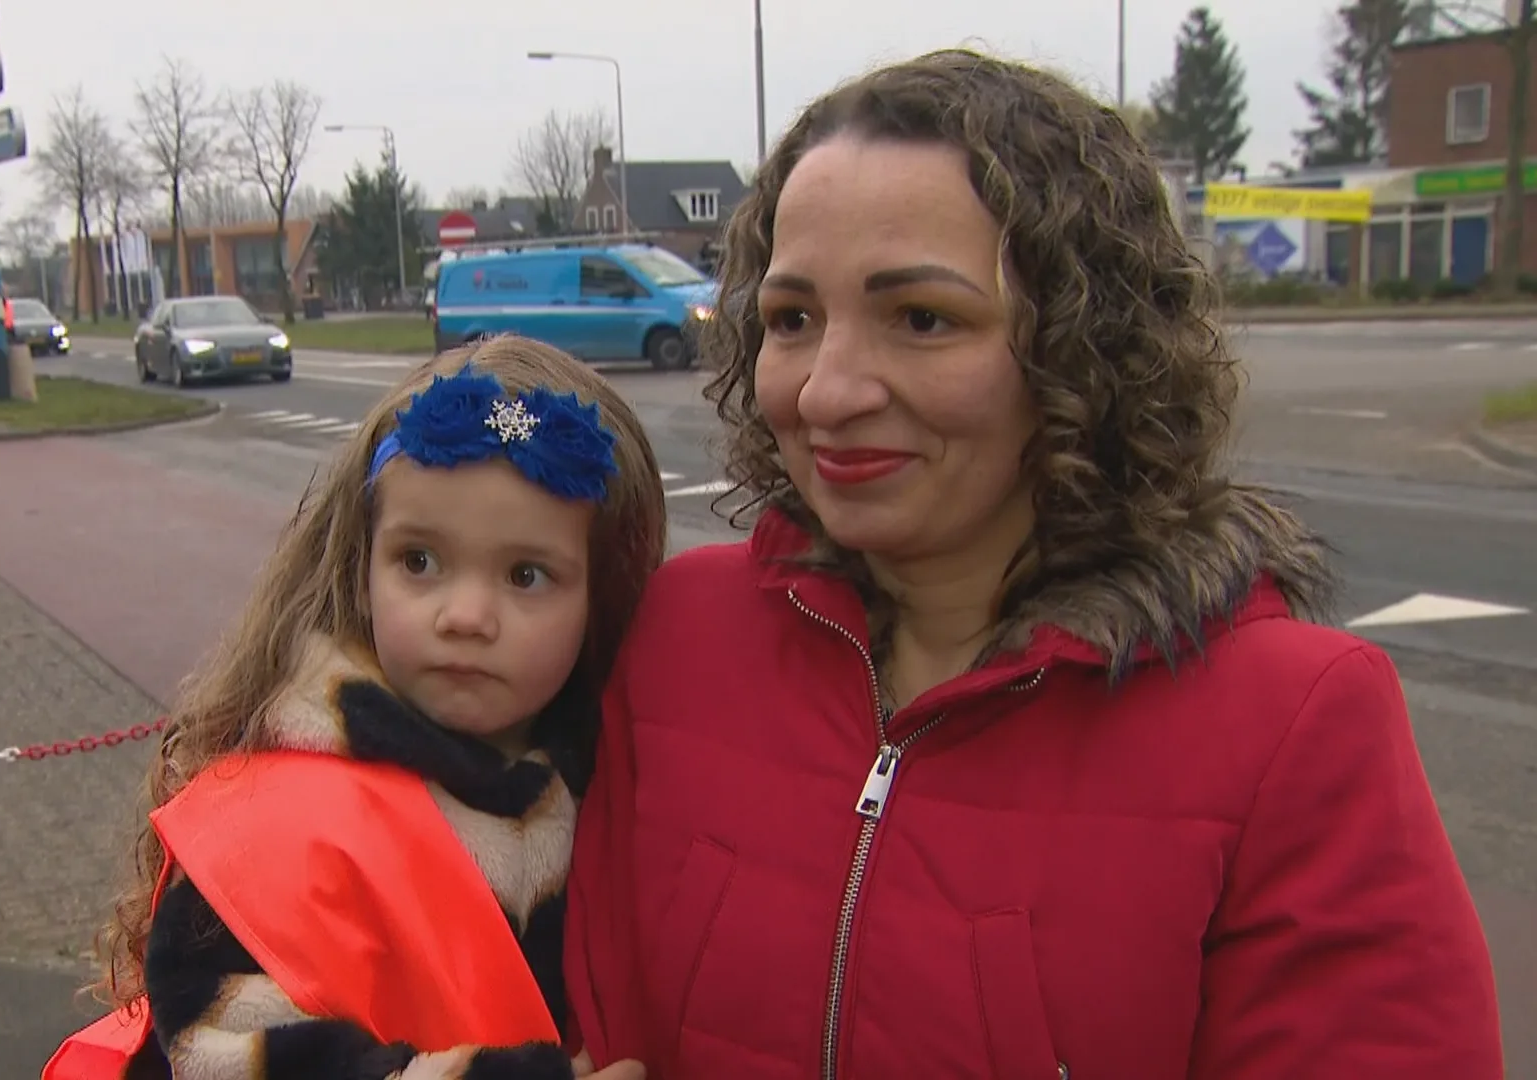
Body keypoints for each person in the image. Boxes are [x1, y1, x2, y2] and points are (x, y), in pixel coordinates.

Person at [561, 51, 1504, 1079]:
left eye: (923, 318)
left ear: (1082, 345)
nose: (827, 393)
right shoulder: (679, 636)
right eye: (792, 320)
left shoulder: (1294, 725)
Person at [46, 337, 665, 1080]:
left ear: (604, 597)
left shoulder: (618, 786)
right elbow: (220, 1056)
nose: (466, 615)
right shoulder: (273, 827)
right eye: (420, 562)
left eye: (526, 574)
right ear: (360, 564)